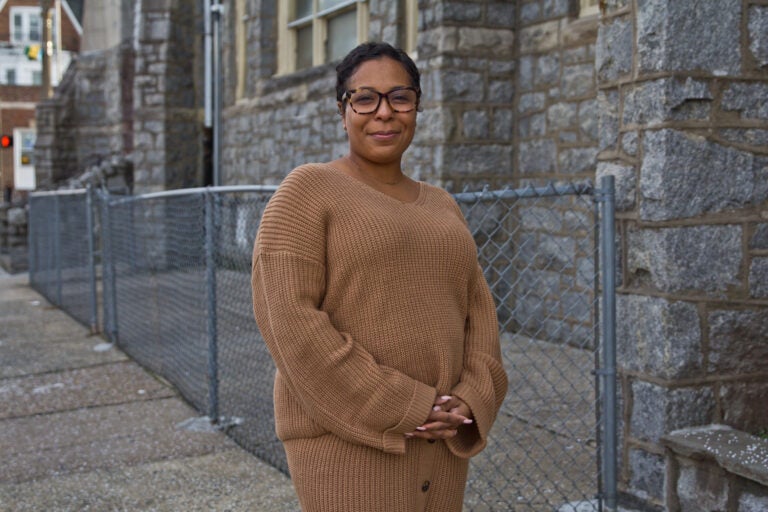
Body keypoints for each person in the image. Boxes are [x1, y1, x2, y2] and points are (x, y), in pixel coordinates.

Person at [251, 41, 508, 512]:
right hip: (345, 440)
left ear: (417, 106)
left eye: (400, 97)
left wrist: (471, 399)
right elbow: (290, 322)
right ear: (342, 111)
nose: (384, 113)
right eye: (365, 98)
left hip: (440, 442)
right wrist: (402, 404)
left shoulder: (442, 204)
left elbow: (479, 314)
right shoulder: (308, 191)